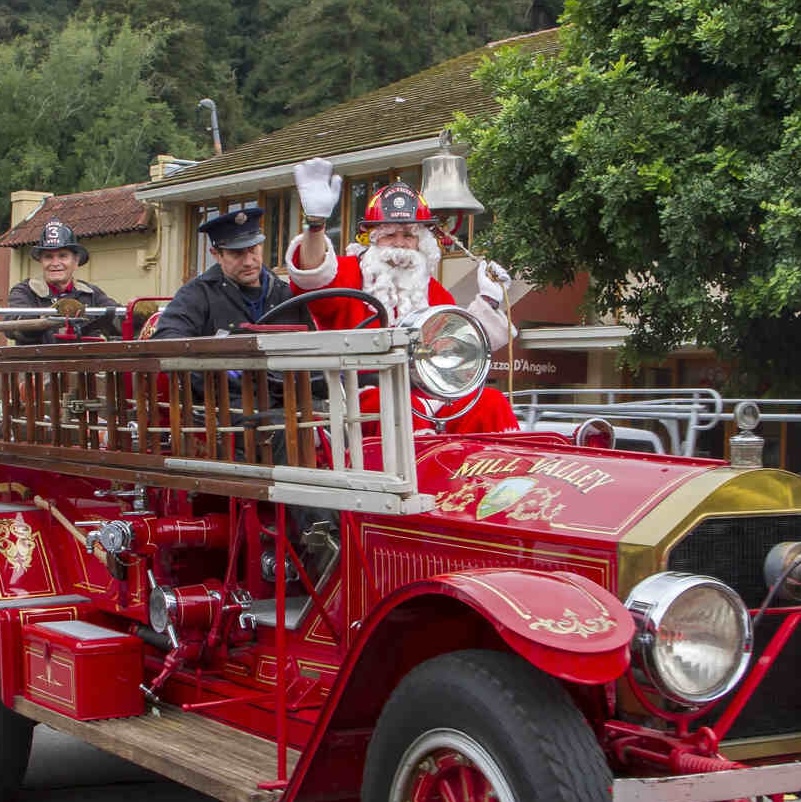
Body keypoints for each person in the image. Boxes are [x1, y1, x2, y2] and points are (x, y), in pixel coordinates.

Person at [285, 157, 520, 435]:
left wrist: (489, 301)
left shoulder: (433, 290)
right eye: (389, 235)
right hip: (360, 396)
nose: (400, 244)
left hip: (428, 395)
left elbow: (457, 349)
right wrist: (315, 224)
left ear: (421, 242)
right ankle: (426, 476)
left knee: (490, 402)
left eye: (409, 235)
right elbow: (311, 276)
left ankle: (496, 473)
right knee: (400, 408)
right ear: (372, 239)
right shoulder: (348, 273)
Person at [5, 219, 120, 344]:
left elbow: (119, 320)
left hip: (83, 362)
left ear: (76, 261)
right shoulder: (24, 291)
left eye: (62, 256)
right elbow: (15, 327)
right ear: (41, 261)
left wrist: (137, 316)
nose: (55, 263)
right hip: (39, 362)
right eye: (48, 257)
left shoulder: (91, 293)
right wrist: (50, 316)